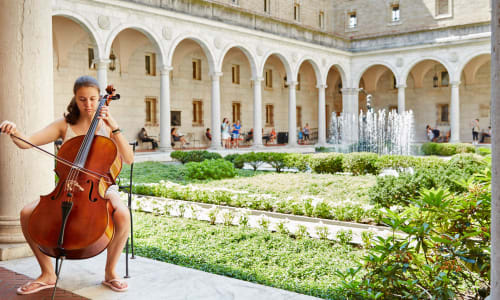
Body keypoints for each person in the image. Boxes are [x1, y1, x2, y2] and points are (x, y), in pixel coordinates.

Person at [0, 76, 133, 294]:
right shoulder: (65, 124)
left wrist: (115, 127)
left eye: (92, 99)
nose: (88, 105)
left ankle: (110, 273)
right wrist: (14, 132)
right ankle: (47, 273)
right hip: (67, 185)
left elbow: (128, 159)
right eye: (82, 99)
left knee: (122, 215)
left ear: (100, 98)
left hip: (102, 188)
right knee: (26, 213)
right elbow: (27, 143)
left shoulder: (106, 125)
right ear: (75, 98)